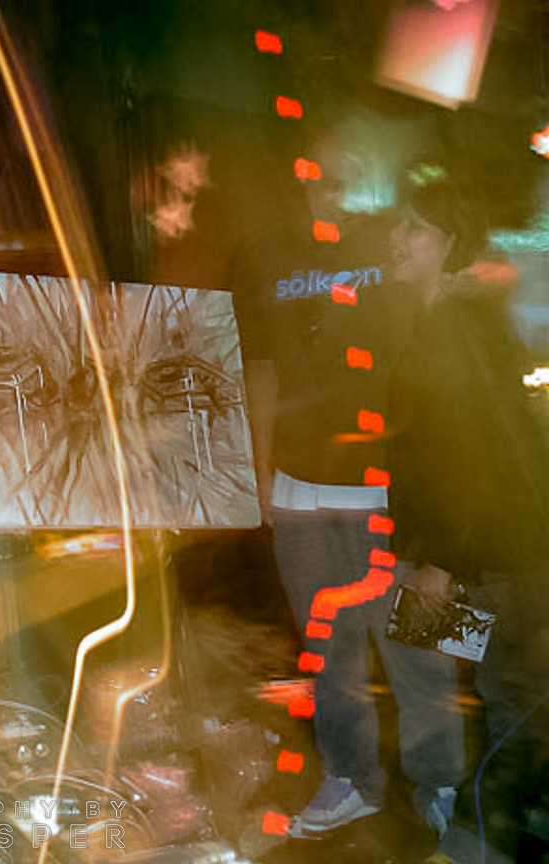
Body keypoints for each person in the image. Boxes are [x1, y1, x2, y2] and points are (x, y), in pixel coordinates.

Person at [233, 129, 465, 839]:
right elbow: (260, 367)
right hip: (300, 493)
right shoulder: (263, 255)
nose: (335, 188)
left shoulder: (389, 242)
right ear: (302, 173)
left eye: (350, 177)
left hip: (394, 494)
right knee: (328, 652)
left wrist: (444, 500)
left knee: (425, 651)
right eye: (323, 174)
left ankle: (447, 784)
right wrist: (261, 471)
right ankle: (350, 778)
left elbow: (437, 335)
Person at [386, 160, 549, 857]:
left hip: (487, 557)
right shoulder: (444, 319)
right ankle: (485, 810)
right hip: (471, 553)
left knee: (504, 697)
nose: (396, 237)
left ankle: (481, 838)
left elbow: (471, 454)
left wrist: (441, 562)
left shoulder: (457, 325)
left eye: (414, 228)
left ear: (450, 242)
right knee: (456, 677)